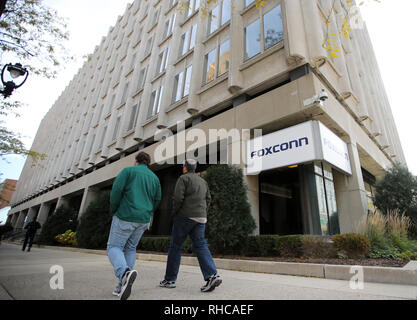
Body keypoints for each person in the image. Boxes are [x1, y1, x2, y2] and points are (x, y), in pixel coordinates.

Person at [159, 159, 222, 292]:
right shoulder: (203, 181)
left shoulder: (183, 178)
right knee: (200, 245)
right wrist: (202, 212)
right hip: (201, 218)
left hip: (184, 217)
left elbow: (177, 198)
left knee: (175, 247)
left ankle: (170, 280)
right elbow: (208, 199)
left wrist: (175, 213)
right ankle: (212, 275)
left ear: (185, 168)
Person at [107, 151, 162, 300]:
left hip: (125, 215)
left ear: (136, 161)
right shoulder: (155, 178)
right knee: (130, 248)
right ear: (148, 163)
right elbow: (157, 199)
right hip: (143, 219)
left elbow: (116, 191)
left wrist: (113, 210)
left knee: (114, 247)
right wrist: (148, 211)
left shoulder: (128, 171)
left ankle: (123, 273)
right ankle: (121, 287)